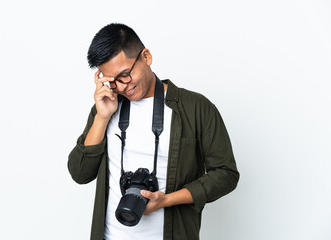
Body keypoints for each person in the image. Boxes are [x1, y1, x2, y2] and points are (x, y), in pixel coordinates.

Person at [68, 23, 239, 240]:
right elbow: (80, 173)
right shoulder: (105, 107)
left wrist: (167, 200)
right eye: (112, 81)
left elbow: (226, 174)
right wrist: (102, 117)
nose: (121, 87)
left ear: (146, 57)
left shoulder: (196, 108)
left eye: (125, 75)